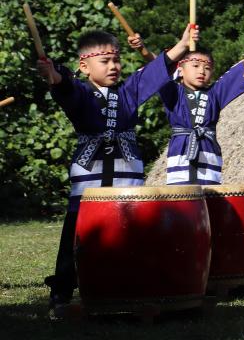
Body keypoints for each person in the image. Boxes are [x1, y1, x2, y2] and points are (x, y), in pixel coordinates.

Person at [36, 24, 197, 313]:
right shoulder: (81, 94)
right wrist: (54, 76)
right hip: (89, 177)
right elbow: (63, 85)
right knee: (77, 234)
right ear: (84, 66)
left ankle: (133, 285)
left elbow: (153, 73)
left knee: (132, 231)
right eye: (105, 61)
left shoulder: (128, 91)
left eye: (116, 60)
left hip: (127, 175)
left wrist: (183, 45)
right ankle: (62, 290)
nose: (114, 66)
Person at [129, 35, 244, 185]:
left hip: (208, 152)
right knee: (183, 199)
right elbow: (158, 69)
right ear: (180, 71)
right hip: (181, 151)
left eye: (207, 68)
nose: (201, 71)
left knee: (209, 200)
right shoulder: (172, 91)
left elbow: (235, 72)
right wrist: (143, 49)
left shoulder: (215, 94)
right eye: (195, 66)